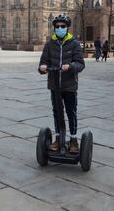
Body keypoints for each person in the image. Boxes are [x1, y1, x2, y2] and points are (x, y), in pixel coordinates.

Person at [38, 14, 85, 154]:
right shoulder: (49, 44)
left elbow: (80, 64)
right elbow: (43, 61)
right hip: (54, 85)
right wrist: (42, 67)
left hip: (69, 84)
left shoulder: (74, 44)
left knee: (71, 112)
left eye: (62, 26)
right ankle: (58, 138)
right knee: (57, 112)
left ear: (67, 28)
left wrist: (70, 66)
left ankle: (73, 139)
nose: (59, 28)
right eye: (57, 26)